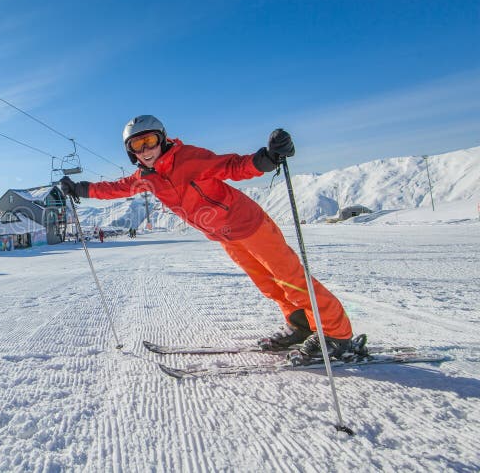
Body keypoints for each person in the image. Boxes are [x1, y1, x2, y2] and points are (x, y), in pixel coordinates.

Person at [60, 115, 354, 361]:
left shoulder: (188, 158)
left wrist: (266, 159)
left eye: (150, 140)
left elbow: (231, 165)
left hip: (250, 225)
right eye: (137, 145)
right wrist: (81, 189)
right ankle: (302, 324)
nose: (146, 149)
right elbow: (116, 188)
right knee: (270, 284)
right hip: (226, 238)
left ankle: (334, 334)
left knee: (290, 279)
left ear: (162, 139)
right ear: (131, 152)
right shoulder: (147, 177)